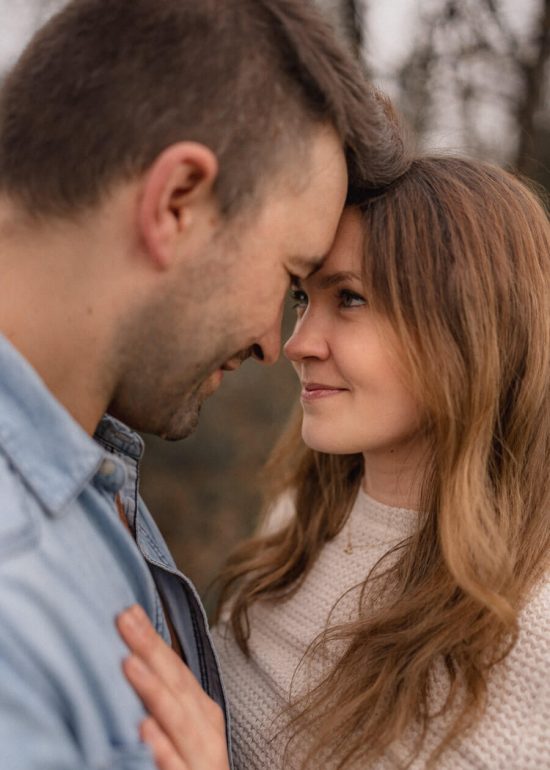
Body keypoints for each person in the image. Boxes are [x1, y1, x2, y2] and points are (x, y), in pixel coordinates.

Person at [0, 1, 409, 768]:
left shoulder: (89, 469)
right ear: (177, 201)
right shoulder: (19, 597)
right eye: (290, 277)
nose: (273, 346)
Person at [119, 156, 550, 769]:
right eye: (303, 297)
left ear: (470, 329)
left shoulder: (531, 638)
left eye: (349, 298)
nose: (296, 343)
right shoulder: (293, 525)